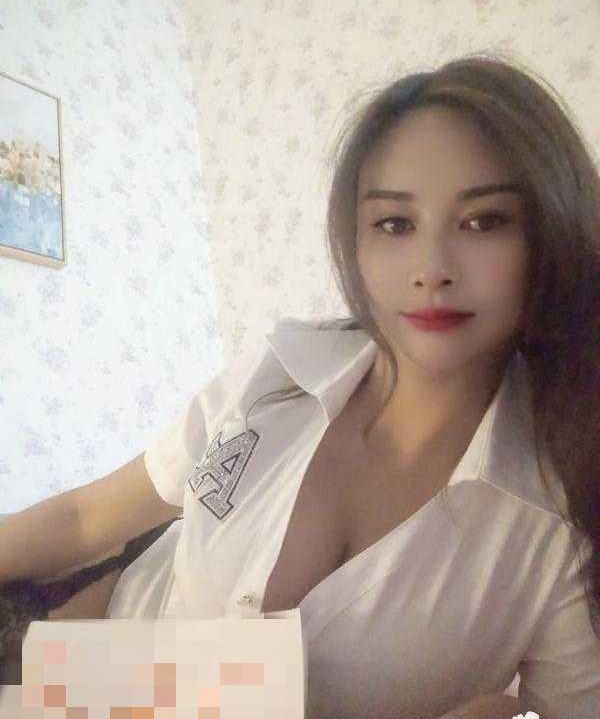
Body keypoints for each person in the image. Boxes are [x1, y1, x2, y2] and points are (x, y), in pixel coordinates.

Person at [2, 52, 600, 719]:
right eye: (395, 224)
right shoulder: (276, 373)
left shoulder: (562, 521)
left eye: (484, 220)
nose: (431, 268)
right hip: (94, 689)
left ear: (553, 232)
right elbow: (88, 519)